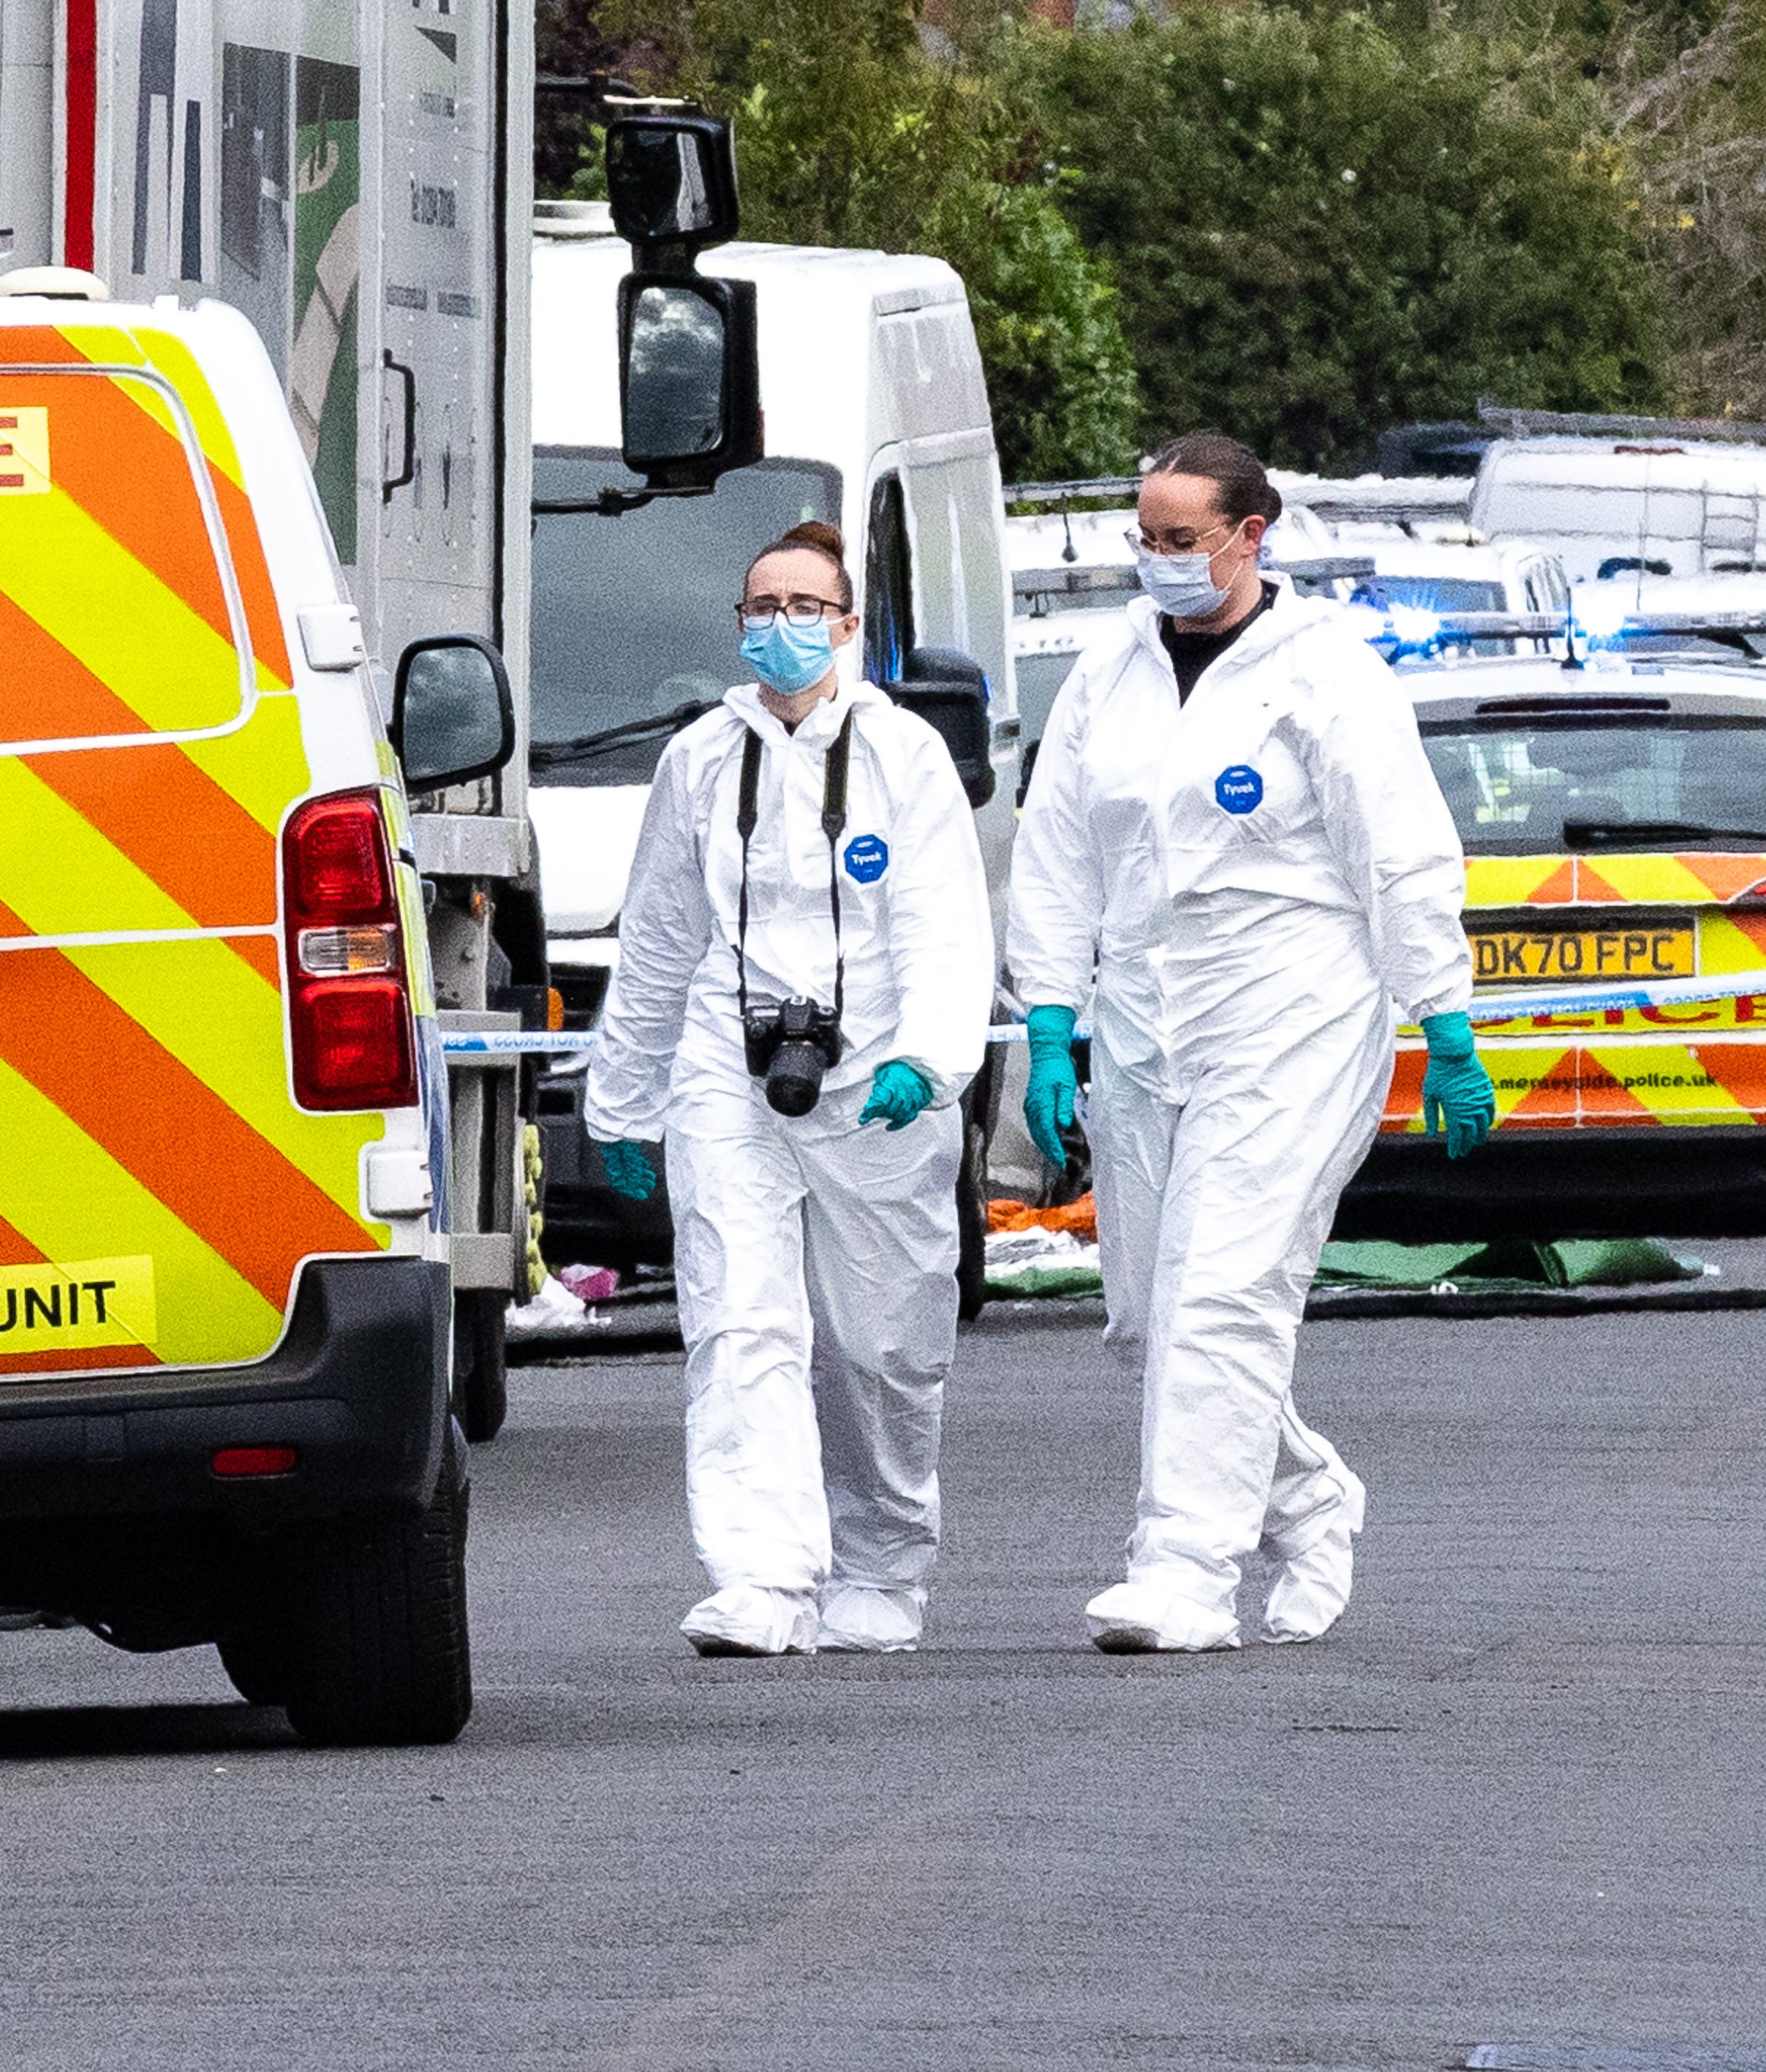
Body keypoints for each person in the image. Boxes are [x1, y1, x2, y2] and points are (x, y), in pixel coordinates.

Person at [1007, 432, 1496, 1654]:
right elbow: (1060, 850)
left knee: (1222, 1292)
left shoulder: (1323, 670)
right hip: (1141, 1018)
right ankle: (1308, 1496)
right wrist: (1051, 1022)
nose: (1159, 561)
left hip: (1290, 1012)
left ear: (1249, 535)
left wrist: (1443, 1020)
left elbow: (1399, 851)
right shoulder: (1108, 668)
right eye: (1146, 538)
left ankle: (1182, 1568)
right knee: (1143, 1318)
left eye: (1182, 540)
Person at [584, 521, 992, 1656]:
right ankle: (761, 1575)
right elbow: (660, 935)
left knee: (880, 1340)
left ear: (849, 625)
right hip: (730, 1055)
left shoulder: (903, 755)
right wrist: (621, 1096)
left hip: (878, 1075)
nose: (779, 626)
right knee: (739, 1318)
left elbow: (944, 921)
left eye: (804, 607)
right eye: (759, 606)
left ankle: (883, 1560)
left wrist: (930, 1053)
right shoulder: (702, 758)